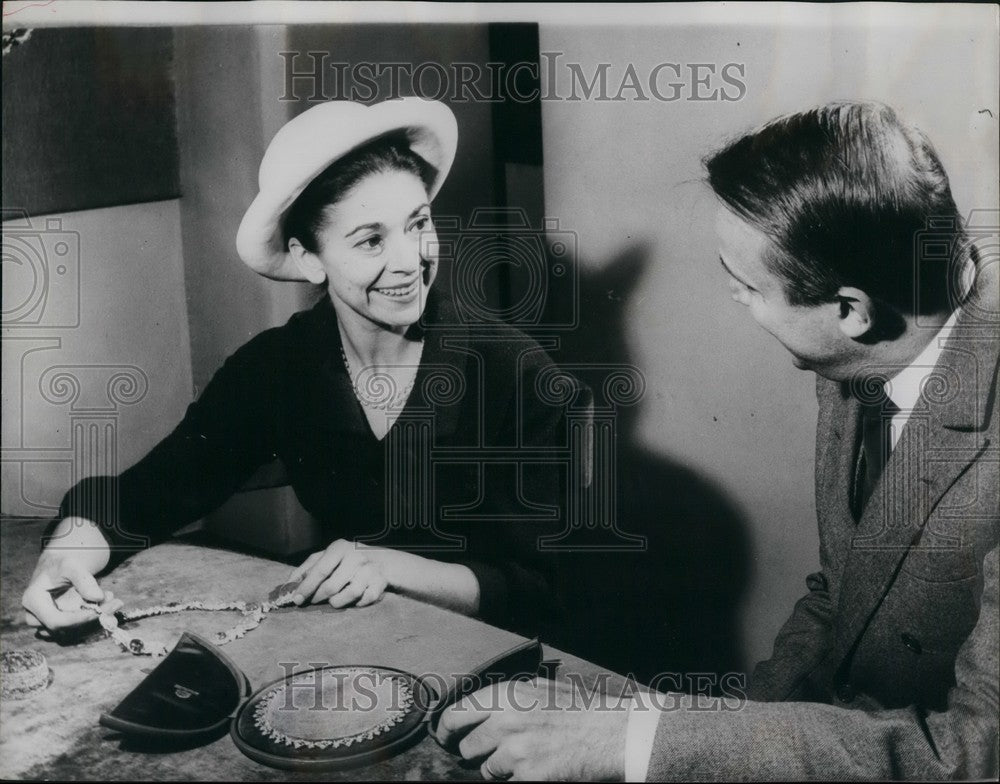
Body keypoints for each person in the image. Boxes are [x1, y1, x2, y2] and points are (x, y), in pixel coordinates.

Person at [434, 101, 999, 779]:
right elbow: (840, 600)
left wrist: (636, 744)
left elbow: (977, 753)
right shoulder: (860, 356)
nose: (735, 300)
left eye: (747, 286)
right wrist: (691, 737)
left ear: (851, 312)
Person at [22, 98, 573, 640]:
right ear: (309, 258)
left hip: (503, 676)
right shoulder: (279, 369)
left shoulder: (514, 373)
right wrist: (62, 558)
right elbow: (143, 496)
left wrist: (390, 568)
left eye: (418, 224)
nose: (409, 260)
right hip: (358, 650)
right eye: (371, 240)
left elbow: (543, 590)